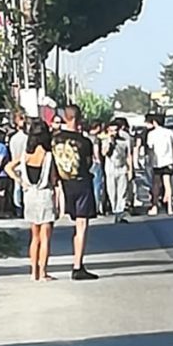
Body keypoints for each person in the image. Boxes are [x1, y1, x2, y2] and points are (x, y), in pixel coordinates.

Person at [4, 120, 59, 281]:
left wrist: (21, 181)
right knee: (45, 237)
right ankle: (43, 272)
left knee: (34, 236)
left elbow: (8, 167)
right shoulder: (49, 156)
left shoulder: (25, 156)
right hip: (45, 195)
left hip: (30, 196)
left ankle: (33, 271)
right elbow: (54, 179)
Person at [52, 104, 99, 280]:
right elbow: (88, 163)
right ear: (79, 119)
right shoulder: (84, 141)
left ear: (65, 117)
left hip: (64, 184)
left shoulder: (54, 139)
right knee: (81, 225)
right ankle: (78, 265)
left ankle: (41, 266)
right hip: (81, 183)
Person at [102, 120, 133, 223]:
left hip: (122, 168)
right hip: (110, 169)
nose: (114, 132)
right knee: (112, 192)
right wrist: (110, 141)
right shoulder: (105, 141)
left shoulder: (124, 141)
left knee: (122, 191)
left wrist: (130, 170)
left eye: (115, 130)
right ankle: (115, 210)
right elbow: (104, 152)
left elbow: (129, 155)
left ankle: (120, 212)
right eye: (111, 130)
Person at [146, 114, 173, 215]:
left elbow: (150, 149)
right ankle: (170, 207)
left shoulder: (151, 134)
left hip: (157, 162)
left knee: (156, 185)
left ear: (155, 122)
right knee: (168, 184)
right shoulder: (170, 133)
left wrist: (150, 161)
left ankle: (154, 207)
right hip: (168, 161)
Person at [9, 112, 28, 218]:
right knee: (25, 187)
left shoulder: (13, 139)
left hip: (14, 165)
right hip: (24, 165)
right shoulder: (27, 138)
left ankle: (18, 208)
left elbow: (12, 152)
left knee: (17, 187)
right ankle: (24, 207)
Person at [86, 121, 104, 214]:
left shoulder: (85, 137)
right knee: (97, 186)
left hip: (87, 163)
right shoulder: (96, 139)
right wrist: (99, 160)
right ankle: (96, 207)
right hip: (95, 163)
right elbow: (96, 151)